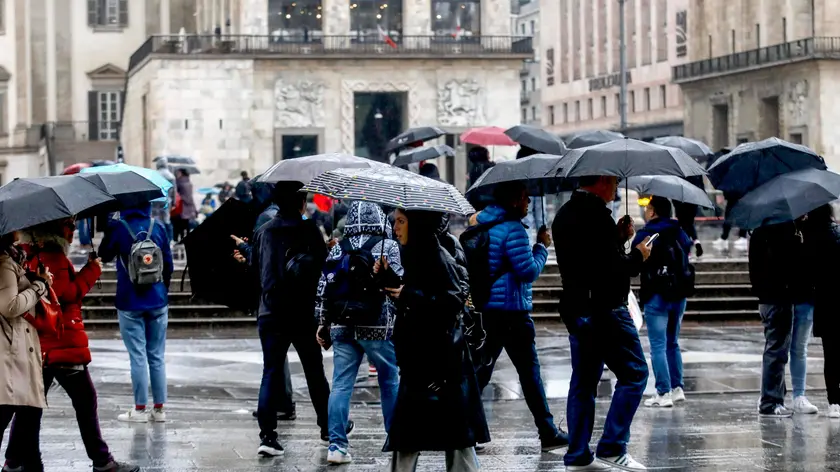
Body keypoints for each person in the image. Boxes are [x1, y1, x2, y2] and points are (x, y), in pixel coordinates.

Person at [9, 221, 139, 472]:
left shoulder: (27, 253)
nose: (72, 230)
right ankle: (102, 462)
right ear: (54, 230)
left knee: (30, 406)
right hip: (62, 342)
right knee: (85, 401)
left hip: (40, 344)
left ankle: (14, 462)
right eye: (68, 225)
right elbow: (65, 295)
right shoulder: (52, 255)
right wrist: (91, 271)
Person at [552, 175, 652, 471]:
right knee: (635, 374)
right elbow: (613, 271)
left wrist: (618, 239)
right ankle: (611, 446)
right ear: (598, 182)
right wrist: (639, 254)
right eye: (612, 181)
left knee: (583, 383)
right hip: (605, 310)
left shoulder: (565, 215)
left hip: (577, 310)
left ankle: (578, 456)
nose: (615, 187)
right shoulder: (596, 217)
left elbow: (590, 262)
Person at [380, 209, 489, 472]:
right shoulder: (413, 253)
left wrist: (408, 294)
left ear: (417, 224)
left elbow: (450, 303)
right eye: (395, 221)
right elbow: (413, 295)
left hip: (440, 364)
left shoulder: (439, 256)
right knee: (409, 434)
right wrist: (386, 279)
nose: (395, 227)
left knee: (455, 436)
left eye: (401, 221)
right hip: (420, 360)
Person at [469, 182, 569, 451]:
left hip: (489, 310)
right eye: (525, 198)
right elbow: (527, 272)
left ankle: (465, 429)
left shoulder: (483, 223)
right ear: (513, 200)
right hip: (512, 312)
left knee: (481, 371)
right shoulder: (513, 229)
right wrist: (541, 247)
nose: (528, 203)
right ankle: (547, 432)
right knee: (530, 374)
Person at [315, 202, 401, 464]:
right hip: (377, 324)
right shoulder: (388, 246)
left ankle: (337, 446)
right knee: (389, 381)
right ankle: (396, 440)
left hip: (342, 323)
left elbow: (323, 287)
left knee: (341, 384)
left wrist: (322, 322)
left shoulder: (338, 246)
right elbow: (397, 283)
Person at [250, 189, 331, 457]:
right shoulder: (310, 231)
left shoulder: (263, 231)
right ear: (301, 202)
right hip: (302, 312)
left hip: (270, 312)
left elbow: (255, 270)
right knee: (314, 370)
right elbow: (323, 269)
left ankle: (267, 436)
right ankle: (327, 427)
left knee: (270, 372)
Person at [99, 204, 174, 422]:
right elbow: (167, 263)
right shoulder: (157, 226)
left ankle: (140, 409)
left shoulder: (119, 227)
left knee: (138, 356)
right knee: (157, 356)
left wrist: (108, 227)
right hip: (157, 299)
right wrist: (163, 290)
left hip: (129, 300)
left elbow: (104, 255)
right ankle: (159, 409)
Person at [750, 220, 817, 417]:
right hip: (779, 297)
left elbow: (755, 269)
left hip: (767, 298)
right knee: (777, 351)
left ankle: (773, 396)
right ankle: (771, 401)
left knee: (776, 349)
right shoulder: (785, 233)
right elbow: (791, 265)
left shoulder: (759, 232)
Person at [632, 197, 693, 409]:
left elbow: (635, 260)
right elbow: (687, 249)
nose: (645, 211)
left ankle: (663, 392)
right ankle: (677, 388)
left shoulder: (647, 233)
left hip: (656, 293)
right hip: (678, 293)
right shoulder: (679, 230)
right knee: (672, 342)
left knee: (657, 345)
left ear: (652, 212)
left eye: (647, 208)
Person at [0, 232, 52, 472]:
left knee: (29, 414)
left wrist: (36, 278)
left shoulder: (14, 258)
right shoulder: (4, 263)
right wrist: (40, 286)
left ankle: (26, 465)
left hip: (19, 351)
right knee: (15, 413)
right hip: (11, 352)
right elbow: (10, 306)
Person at [802, 204, 840, 418]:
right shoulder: (837, 233)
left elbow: (808, 274)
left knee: (831, 353)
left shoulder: (808, 238)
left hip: (824, 302)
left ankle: (834, 401)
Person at [672, 175, 705, 257]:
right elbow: (701, 185)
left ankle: (687, 250)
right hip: (693, 200)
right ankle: (696, 241)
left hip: (680, 201)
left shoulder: (677, 170)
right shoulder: (694, 170)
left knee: (684, 225)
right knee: (689, 223)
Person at [173, 169, 197, 242]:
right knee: (186, 224)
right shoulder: (189, 183)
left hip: (181, 205)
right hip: (189, 205)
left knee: (179, 223)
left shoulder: (179, 182)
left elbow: (176, 193)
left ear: (181, 173)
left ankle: (179, 238)